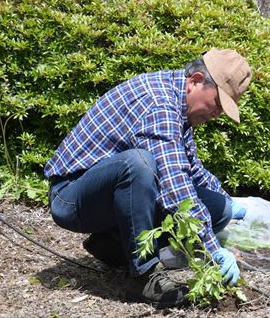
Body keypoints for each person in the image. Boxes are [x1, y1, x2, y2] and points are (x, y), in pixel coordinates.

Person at [44, 48, 251, 308]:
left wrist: (228, 201)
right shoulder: (158, 104)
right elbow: (175, 184)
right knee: (138, 164)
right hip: (72, 197)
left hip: (112, 198)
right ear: (196, 81)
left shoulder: (179, 104)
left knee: (218, 210)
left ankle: (113, 246)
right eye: (218, 104)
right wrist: (211, 248)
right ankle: (144, 275)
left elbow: (190, 169)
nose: (216, 114)